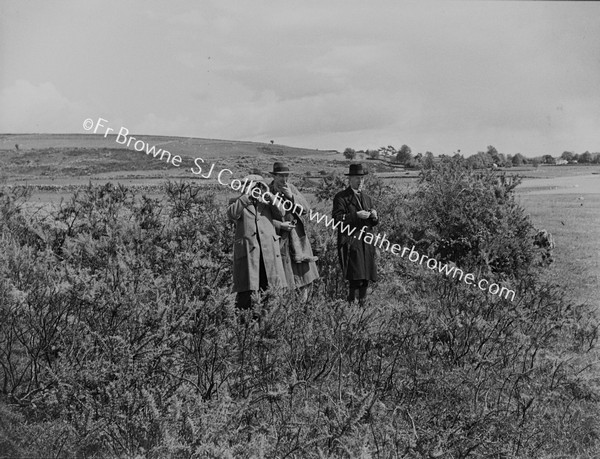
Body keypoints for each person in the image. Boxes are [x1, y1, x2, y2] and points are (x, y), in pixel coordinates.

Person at [227, 174, 291, 310]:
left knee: (269, 289)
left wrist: (269, 195)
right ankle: (246, 325)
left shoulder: (267, 203)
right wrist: (246, 196)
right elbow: (232, 214)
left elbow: (282, 212)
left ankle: (266, 325)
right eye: (252, 186)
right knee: (247, 292)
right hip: (248, 254)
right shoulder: (237, 201)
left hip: (268, 253)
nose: (256, 189)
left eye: (258, 186)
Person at [268, 162, 319, 301]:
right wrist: (280, 225)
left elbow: (306, 210)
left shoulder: (291, 188)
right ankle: (286, 311)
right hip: (278, 239)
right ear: (274, 176)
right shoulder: (267, 191)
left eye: (286, 176)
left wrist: (291, 197)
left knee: (304, 276)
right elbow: (262, 218)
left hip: (297, 236)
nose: (284, 180)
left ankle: (302, 309)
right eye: (281, 176)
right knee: (284, 276)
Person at [332, 163, 378, 305]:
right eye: (357, 178)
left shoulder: (367, 198)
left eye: (362, 178)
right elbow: (337, 220)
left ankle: (362, 308)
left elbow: (371, 223)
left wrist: (374, 217)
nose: (360, 181)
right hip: (352, 242)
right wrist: (356, 215)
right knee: (355, 277)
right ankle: (351, 308)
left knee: (365, 277)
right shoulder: (341, 197)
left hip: (366, 242)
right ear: (350, 179)